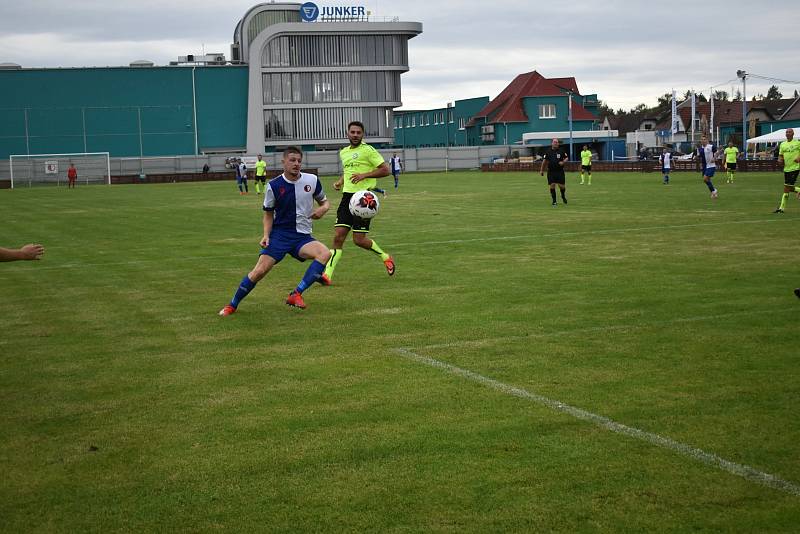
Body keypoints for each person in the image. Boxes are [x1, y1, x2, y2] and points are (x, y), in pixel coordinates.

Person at [218, 146, 330, 315]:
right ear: (283, 161)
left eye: (299, 160)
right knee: (259, 272)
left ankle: (296, 294)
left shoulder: (312, 180)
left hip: (302, 237)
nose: (296, 164)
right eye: (292, 160)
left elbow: (325, 202)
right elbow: (268, 214)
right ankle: (232, 305)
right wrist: (265, 235)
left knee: (324, 253)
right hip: (280, 236)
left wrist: (323, 209)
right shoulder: (274, 186)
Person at [323, 121, 394, 283]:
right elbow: (348, 170)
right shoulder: (343, 152)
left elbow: (385, 170)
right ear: (347, 133)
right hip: (347, 198)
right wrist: (341, 181)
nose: (355, 135)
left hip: (363, 200)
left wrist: (365, 175)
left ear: (363, 135)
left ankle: (386, 256)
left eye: (358, 133)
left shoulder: (368, 150)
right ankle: (327, 275)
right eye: (352, 132)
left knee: (359, 240)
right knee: (338, 237)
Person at [774, 128, 800, 213]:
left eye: (789, 132)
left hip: (795, 168)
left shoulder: (797, 143)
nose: (788, 133)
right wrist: (780, 160)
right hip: (786, 169)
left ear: (793, 134)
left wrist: (798, 158)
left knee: (787, 187)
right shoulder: (782, 144)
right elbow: (780, 155)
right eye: (787, 132)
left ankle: (781, 208)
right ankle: (781, 208)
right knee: (787, 188)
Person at [539, 138, 569, 206]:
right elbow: (544, 162)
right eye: (554, 142)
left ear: (558, 143)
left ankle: (563, 196)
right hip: (551, 172)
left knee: (562, 187)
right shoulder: (548, 152)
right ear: (552, 143)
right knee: (552, 186)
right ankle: (554, 201)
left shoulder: (561, 151)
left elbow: (566, 158)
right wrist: (541, 170)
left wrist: (563, 162)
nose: (556, 143)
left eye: (557, 142)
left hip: (560, 171)